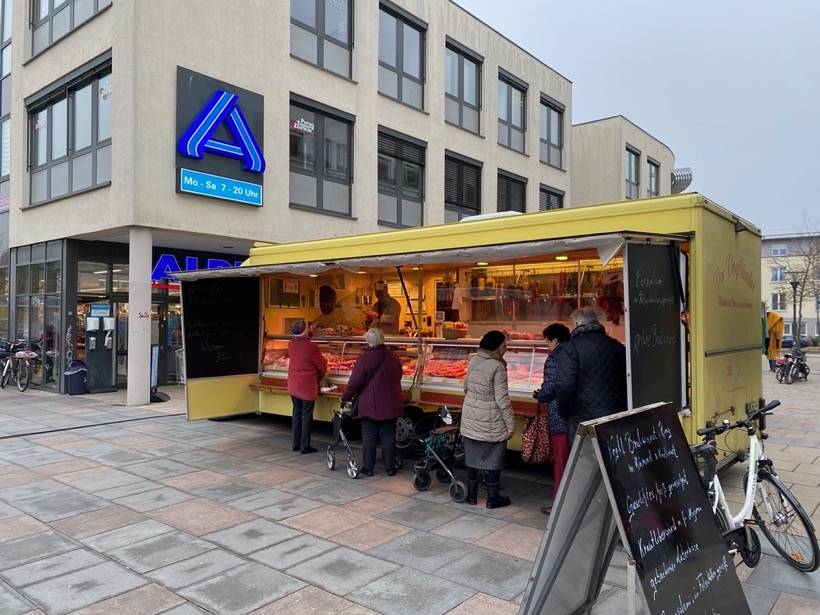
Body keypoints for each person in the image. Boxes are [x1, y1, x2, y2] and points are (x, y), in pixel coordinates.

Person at [460, 330, 515, 508]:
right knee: (493, 460)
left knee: (472, 458)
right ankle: (492, 499)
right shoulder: (498, 367)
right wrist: (510, 424)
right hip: (492, 419)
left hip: (471, 417)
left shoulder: (474, 359)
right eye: (504, 345)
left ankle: (472, 496)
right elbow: (502, 400)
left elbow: (466, 387)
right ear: (497, 347)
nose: (506, 348)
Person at [555, 307, 627, 439]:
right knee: (609, 457)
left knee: (585, 457)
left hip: (583, 420)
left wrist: (564, 412)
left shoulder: (570, 348)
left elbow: (565, 386)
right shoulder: (616, 346)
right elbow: (626, 380)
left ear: (577, 324)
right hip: (614, 417)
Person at [341, 328, 404, 476]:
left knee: (369, 437)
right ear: (382, 339)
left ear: (368, 341)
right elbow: (399, 374)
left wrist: (345, 397)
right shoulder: (392, 356)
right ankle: (390, 468)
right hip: (390, 403)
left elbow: (355, 382)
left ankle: (368, 468)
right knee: (388, 437)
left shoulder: (364, 358)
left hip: (370, 405)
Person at [533, 323, 571, 514]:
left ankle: (559, 505)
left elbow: (550, 388)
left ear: (555, 340)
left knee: (561, 462)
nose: (547, 345)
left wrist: (540, 395)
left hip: (559, 415)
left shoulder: (555, 358)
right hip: (576, 417)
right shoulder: (574, 352)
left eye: (547, 341)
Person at [287, 320, 327, 454]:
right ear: (305, 330)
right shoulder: (311, 347)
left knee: (296, 413)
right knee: (307, 415)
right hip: (306, 386)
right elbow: (322, 366)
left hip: (294, 384)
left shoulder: (291, 344)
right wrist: (322, 374)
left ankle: (295, 443)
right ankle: (305, 446)